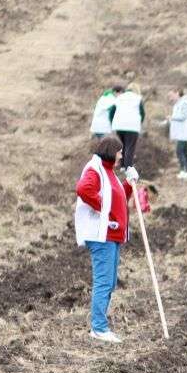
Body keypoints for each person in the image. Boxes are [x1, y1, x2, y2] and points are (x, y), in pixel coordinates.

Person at [75, 135, 137, 343]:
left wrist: (129, 184)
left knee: (109, 282)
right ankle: (99, 328)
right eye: (120, 152)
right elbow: (84, 189)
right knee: (103, 282)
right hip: (101, 235)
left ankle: (100, 326)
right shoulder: (95, 169)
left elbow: (118, 197)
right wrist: (103, 207)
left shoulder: (108, 172)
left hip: (112, 234)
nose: (121, 156)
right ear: (112, 151)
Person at [109, 83, 144, 169]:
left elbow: (111, 112)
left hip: (119, 126)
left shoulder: (119, 97)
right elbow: (142, 113)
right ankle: (128, 167)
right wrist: (139, 122)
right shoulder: (138, 98)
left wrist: (112, 123)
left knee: (122, 146)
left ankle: (122, 166)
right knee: (130, 147)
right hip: (132, 127)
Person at [169, 89, 187, 179]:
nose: (170, 98)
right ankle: (186, 171)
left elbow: (183, 116)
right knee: (184, 151)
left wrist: (172, 117)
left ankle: (184, 171)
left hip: (183, 133)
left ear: (177, 93)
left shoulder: (184, 103)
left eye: (172, 95)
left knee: (180, 151)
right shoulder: (179, 104)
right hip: (181, 132)